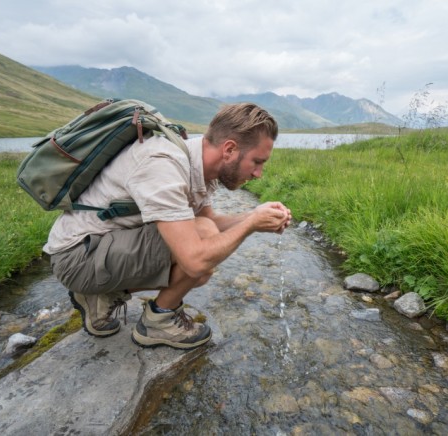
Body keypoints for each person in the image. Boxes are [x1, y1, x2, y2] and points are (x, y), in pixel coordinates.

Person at [43, 103, 291, 350]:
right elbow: (195, 258)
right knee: (201, 250)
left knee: (203, 250)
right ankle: (157, 321)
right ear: (229, 150)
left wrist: (255, 215)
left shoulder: (201, 166)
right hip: (77, 257)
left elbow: (211, 221)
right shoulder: (163, 165)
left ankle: (102, 295)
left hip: (98, 248)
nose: (259, 173)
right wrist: (250, 224)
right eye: (257, 162)